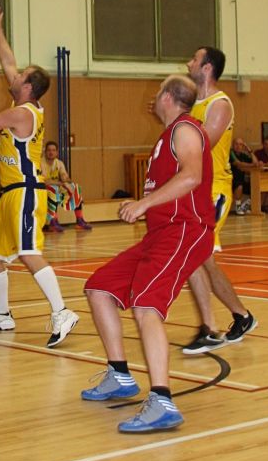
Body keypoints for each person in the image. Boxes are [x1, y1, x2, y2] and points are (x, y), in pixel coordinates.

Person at [82, 75, 214, 433]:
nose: (153, 100)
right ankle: (120, 376)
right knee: (99, 288)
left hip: (184, 230)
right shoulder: (167, 134)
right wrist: (144, 205)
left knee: (145, 304)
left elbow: (192, 177)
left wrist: (143, 203)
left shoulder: (186, 129)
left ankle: (161, 400)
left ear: (169, 98)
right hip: (159, 234)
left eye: (158, 94)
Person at [0, 4, 79, 349]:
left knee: (28, 251)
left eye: (20, 76)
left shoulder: (21, 114)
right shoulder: (25, 100)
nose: (13, 75)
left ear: (28, 86)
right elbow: (7, 61)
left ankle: (62, 311)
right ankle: (3, 315)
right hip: (9, 194)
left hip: (26, 193)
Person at [183, 46, 257, 354]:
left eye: (193, 58)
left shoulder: (220, 103)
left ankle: (212, 328)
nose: (188, 62)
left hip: (216, 190)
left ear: (207, 67)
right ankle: (239, 316)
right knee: (195, 258)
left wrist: (174, 122)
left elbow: (201, 144)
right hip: (196, 189)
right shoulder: (193, 104)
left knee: (197, 256)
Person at [41, 140, 92, 232]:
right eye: (49, 150)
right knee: (53, 189)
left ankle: (80, 220)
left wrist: (66, 180)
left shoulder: (59, 163)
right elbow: (45, 181)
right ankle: (53, 221)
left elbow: (65, 177)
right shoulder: (41, 163)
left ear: (57, 152)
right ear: (45, 152)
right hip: (41, 190)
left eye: (53, 150)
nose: (51, 152)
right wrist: (62, 183)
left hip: (56, 187)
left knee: (75, 188)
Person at [229, 138, 259, 215]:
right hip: (231, 180)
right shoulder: (231, 153)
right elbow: (238, 164)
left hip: (242, 179)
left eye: (241, 144)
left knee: (256, 188)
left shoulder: (243, 155)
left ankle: (244, 207)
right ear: (233, 145)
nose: (238, 146)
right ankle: (238, 208)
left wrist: (250, 151)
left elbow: (256, 162)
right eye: (236, 144)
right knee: (239, 186)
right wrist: (252, 165)